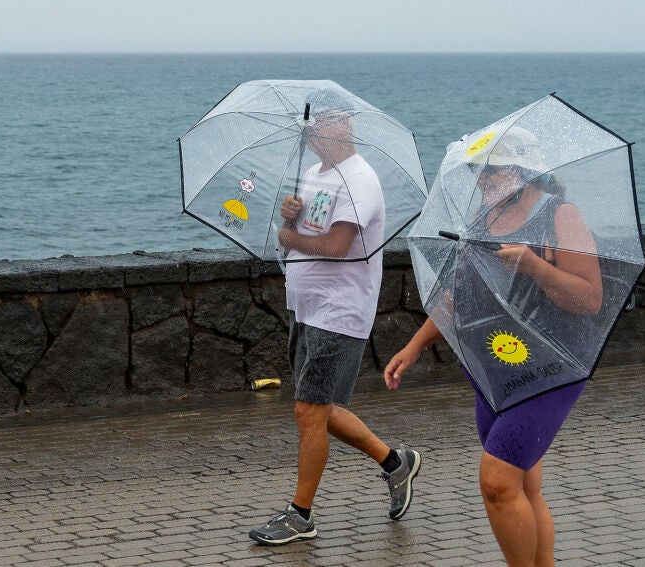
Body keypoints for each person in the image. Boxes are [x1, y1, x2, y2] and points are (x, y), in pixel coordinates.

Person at [384, 127, 602, 567]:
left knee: (498, 483)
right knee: (525, 487)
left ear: (524, 170)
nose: (482, 180)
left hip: (547, 370)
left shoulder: (560, 215)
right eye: (478, 172)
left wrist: (534, 266)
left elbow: (590, 298)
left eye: (493, 171)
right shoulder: (481, 219)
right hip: (492, 371)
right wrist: (415, 345)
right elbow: (458, 297)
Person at [249, 89, 421, 546]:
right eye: (310, 130)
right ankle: (396, 463)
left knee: (308, 410)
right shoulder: (313, 174)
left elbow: (337, 247)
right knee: (319, 406)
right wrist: (291, 216)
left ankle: (301, 516)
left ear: (342, 131)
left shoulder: (359, 181)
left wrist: (290, 236)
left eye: (320, 128)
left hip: (339, 311)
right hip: (305, 305)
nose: (312, 137)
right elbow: (303, 233)